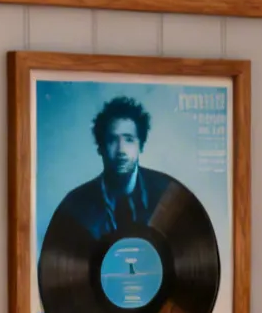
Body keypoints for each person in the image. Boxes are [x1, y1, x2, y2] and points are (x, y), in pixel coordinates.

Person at [49, 95, 177, 240]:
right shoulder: (75, 205)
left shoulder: (168, 194)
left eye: (129, 139)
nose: (121, 150)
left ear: (140, 146)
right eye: (112, 140)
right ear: (101, 147)